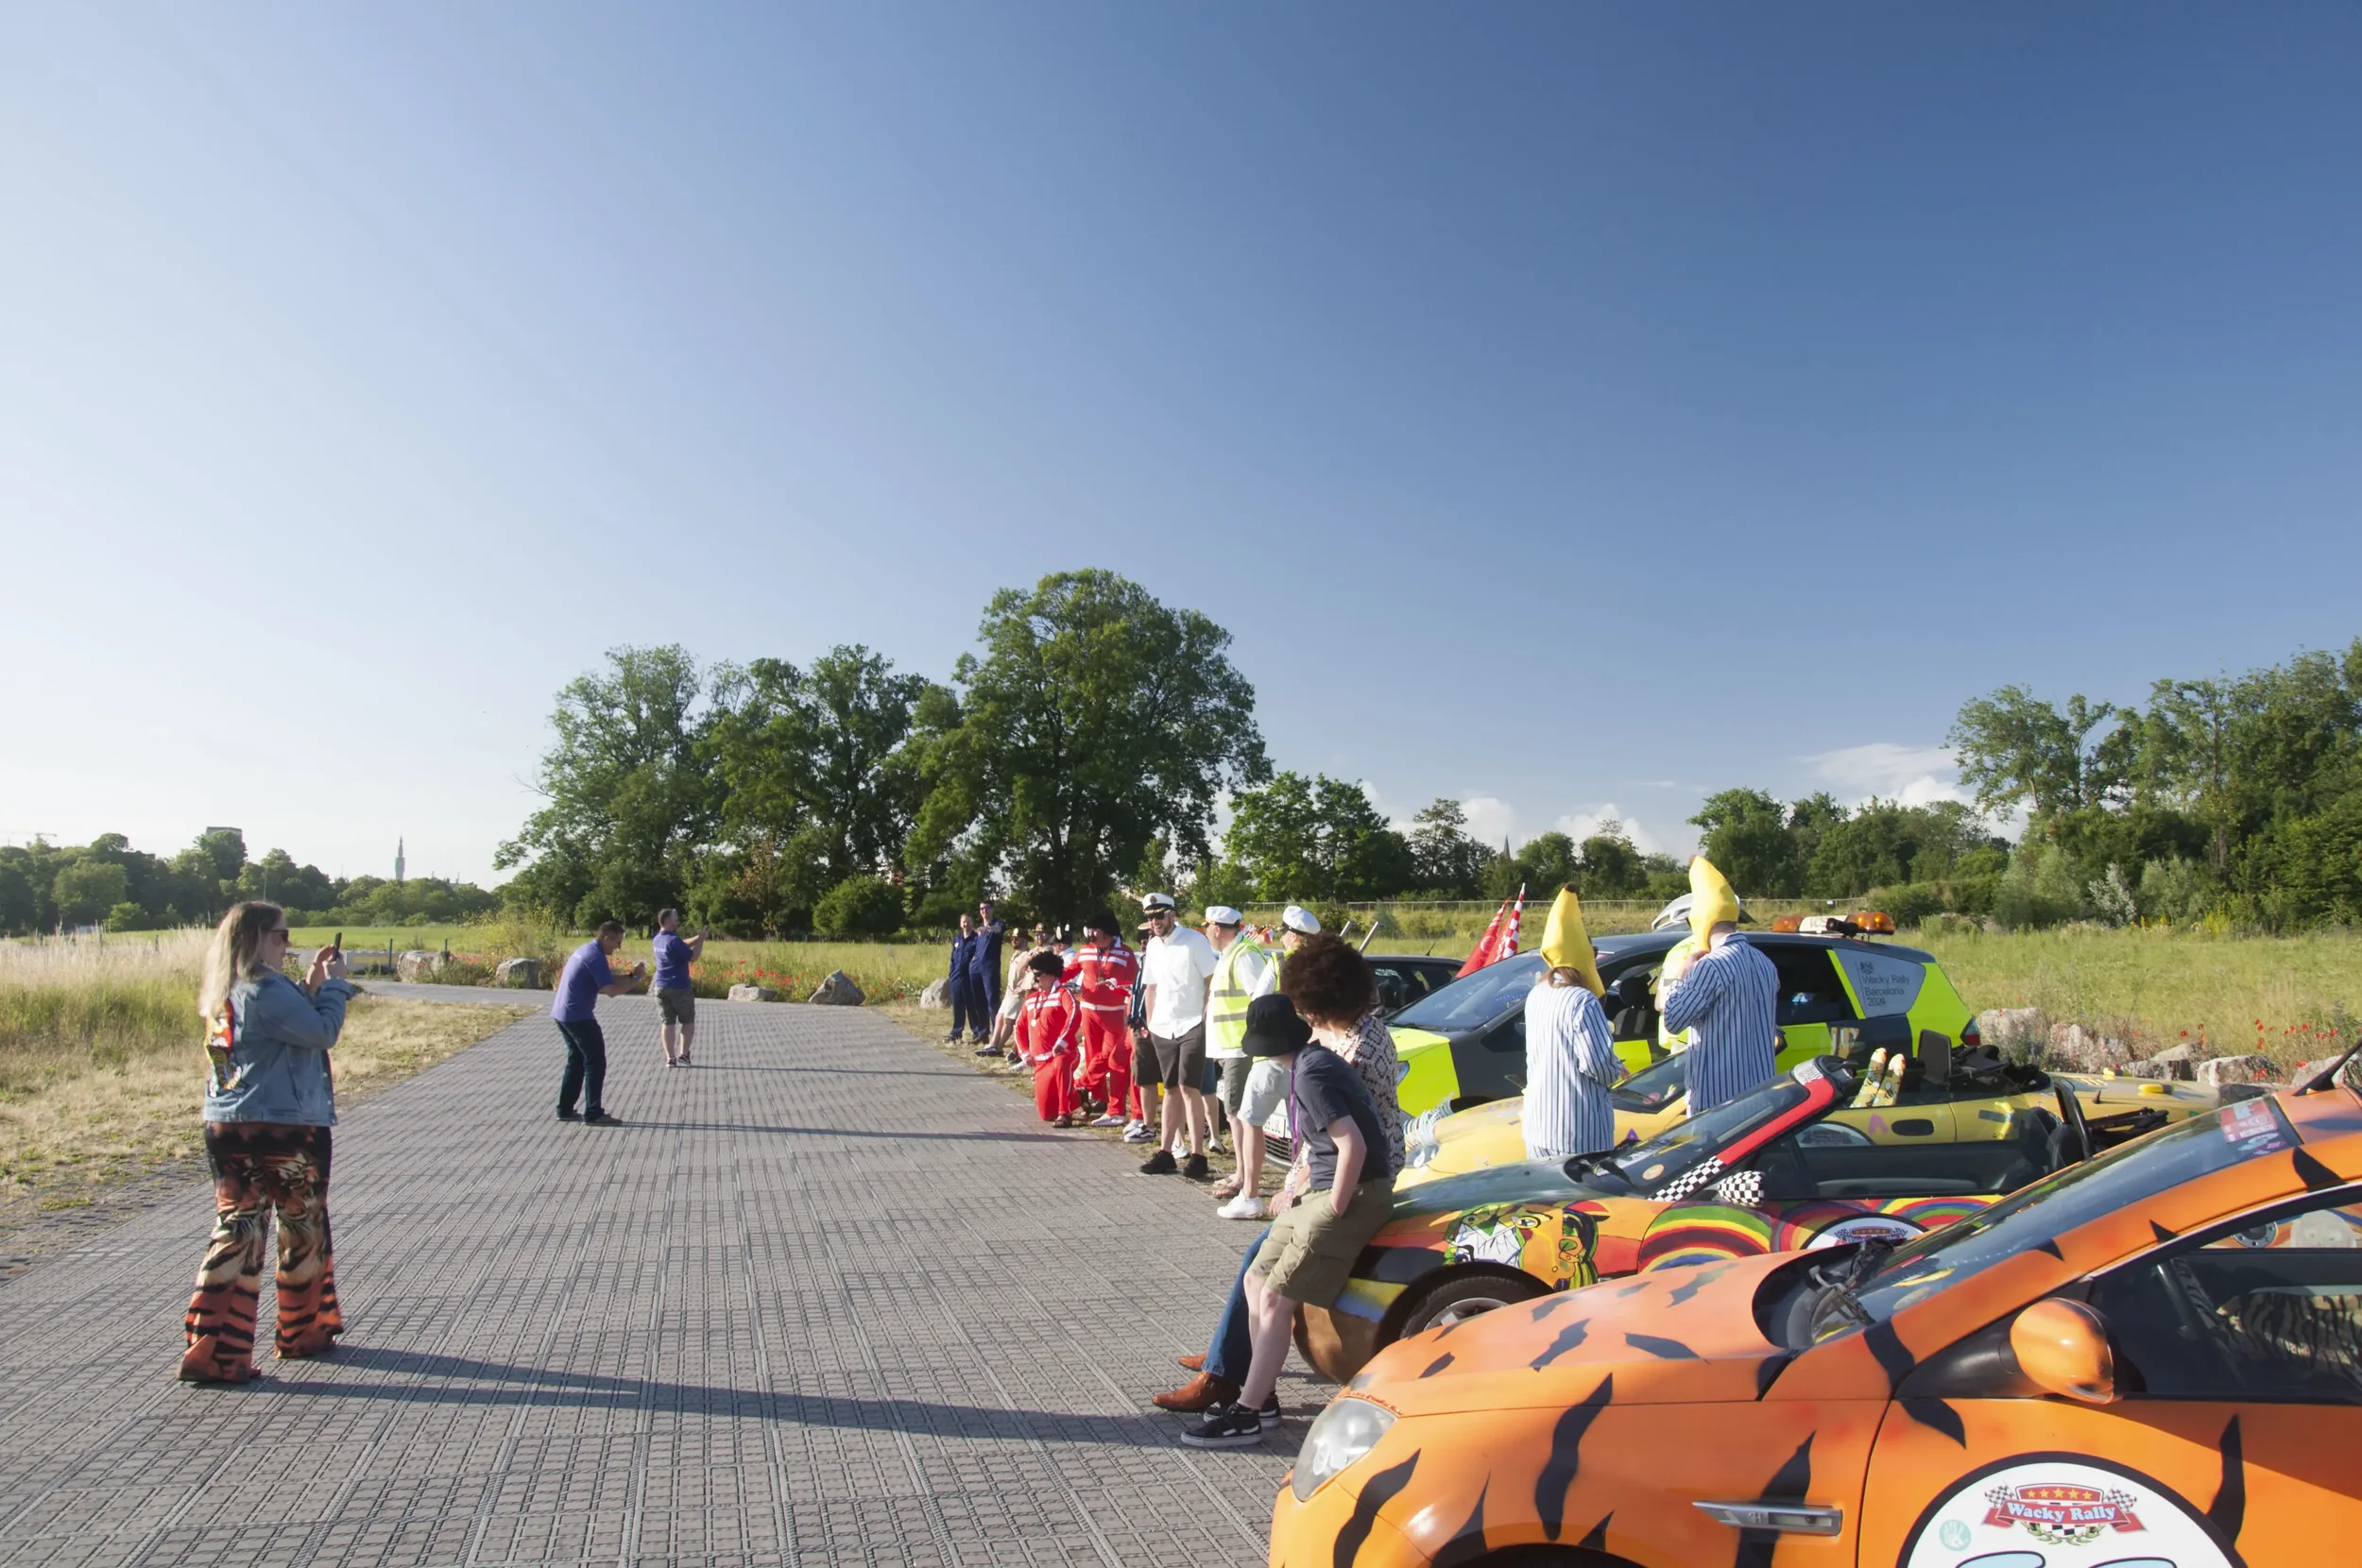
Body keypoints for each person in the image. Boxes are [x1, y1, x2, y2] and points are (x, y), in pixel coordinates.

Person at [1156, 933, 1406, 1417]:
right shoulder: (1345, 1036)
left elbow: (1337, 1139)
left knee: (1264, 1269)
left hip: (1351, 1179)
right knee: (1258, 1269)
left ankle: (1230, 1374)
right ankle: (1231, 1364)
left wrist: (1300, 1190)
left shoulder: (1350, 1049)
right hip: (1340, 1171)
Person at [180, 902, 354, 1383]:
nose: (287, 943)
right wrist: (337, 986)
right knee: (302, 1225)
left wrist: (311, 987)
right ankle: (302, 1330)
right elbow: (322, 1032)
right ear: (255, 938)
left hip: (226, 1121)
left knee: (236, 1228)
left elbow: (270, 1030)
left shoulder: (224, 989)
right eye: (281, 936)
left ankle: (213, 1347)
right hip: (284, 1124)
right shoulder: (264, 987)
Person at [1660, 856, 1779, 1114]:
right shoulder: (1765, 963)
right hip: (1759, 1093)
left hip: (1718, 1100)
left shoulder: (1710, 966)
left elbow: (1673, 1019)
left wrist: (1683, 975)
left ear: (1700, 919)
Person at [1523, 886, 1620, 1160]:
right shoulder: (1583, 1000)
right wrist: (1615, 1067)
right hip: (1578, 1129)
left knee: (1549, 1202)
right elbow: (1598, 1066)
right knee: (1585, 1202)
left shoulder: (1537, 994)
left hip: (1538, 1125)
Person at [1135, 893, 1219, 1179]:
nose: (1154, 922)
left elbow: (1212, 982)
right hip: (1162, 1026)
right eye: (1150, 917)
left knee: (1188, 1087)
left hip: (1192, 1022)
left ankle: (1198, 1155)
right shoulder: (1154, 947)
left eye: (1159, 915)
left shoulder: (1195, 941)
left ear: (1172, 914)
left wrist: (1205, 1019)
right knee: (1170, 1088)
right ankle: (1166, 1152)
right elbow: (1151, 988)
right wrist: (1149, 1023)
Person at [1201, 906, 1277, 1217]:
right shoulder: (1231, 954)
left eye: (1207, 927)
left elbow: (1260, 1001)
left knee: (1238, 1114)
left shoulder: (1243, 955)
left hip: (1241, 1049)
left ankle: (1246, 1179)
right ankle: (1242, 1173)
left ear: (1217, 929)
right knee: (1236, 1114)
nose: (1206, 932)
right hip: (1230, 1048)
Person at [553, 921, 644, 1126]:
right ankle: (593, 1113)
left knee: (576, 1059)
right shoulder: (595, 956)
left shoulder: (587, 949)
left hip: (562, 1013)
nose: (618, 947)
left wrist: (631, 975)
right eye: (617, 942)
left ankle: (565, 1109)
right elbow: (610, 991)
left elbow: (607, 979)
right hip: (578, 1016)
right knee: (595, 1061)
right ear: (606, 938)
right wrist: (637, 980)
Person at [1064, 910, 1138, 1128]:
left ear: (1106, 931)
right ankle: (1099, 1099)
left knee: (1111, 1057)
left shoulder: (1125, 953)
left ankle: (1085, 1086)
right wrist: (1048, 971)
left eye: (1094, 929)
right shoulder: (1085, 950)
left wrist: (1119, 986)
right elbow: (1069, 971)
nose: (1090, 933)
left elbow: (1135, 983)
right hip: (1088, 1010)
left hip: (1113, 1013)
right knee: (1094, 1053)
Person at [1016, 948, 1082, 1126]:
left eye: (1038, 975)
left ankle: (1065, 1113)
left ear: (1051, 975)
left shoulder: (1063, 994)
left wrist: (1063, 1040)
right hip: (1041, 1061)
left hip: (1063, 1054)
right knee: (1046, 1114)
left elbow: (1075, 1014)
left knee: (1061, 1063)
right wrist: (1024, 1052)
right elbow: (1019, 1028)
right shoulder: (1031, 1000)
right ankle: (1077, 1097)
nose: (1035, 979)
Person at [651, 909, 706, 1067]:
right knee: (687, 1021)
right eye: (675, 918)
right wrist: (701, 941)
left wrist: (697, 937)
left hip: (660, 986)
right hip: (680, 987)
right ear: (668, 920)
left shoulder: (658, 939)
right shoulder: (674, 941)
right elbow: (693, 956)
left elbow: (681, 944)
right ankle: (684, 1055)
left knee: (667, 1022)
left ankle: (670, 1058)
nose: (678, 921)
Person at [967, 898, 1007, 1045]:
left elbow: (999, 930)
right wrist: (973, 959)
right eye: (981, 909)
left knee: (992, 1001)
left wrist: (988, 928)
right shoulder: (979, 930)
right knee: (979, 1001)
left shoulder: (997, 924)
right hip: (976, 967)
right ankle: (982, 1033)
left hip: (990, 968)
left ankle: (996, 1035)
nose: (984, 911)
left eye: (987, 908)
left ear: (992, 909)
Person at [945, 912, 979, 1047]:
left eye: (968, 922)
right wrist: (951, 973)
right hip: (956, 978)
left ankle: (977, 1033)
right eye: (964, 922)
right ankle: (956, 1033)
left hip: (969, 978)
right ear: (960, 924)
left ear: (972, 923)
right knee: (957, 1007)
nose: (966, 924)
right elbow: (953, 958)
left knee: (971, 1006)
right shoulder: (957, 939)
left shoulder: (976, 939)